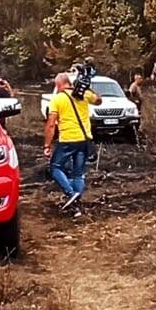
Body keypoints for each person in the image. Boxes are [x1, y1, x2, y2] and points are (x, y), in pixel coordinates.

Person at [44, 72, 102, 210]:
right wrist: (88, 88)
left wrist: (47, 144)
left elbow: (51, 124)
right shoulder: (84, 94)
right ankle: (77, 203)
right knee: (78, 173)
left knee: (55, 167)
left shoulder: (57, 99)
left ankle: (70, 194)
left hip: (67, 140)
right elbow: (99, 100)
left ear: (58, 85)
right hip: (84, 139)